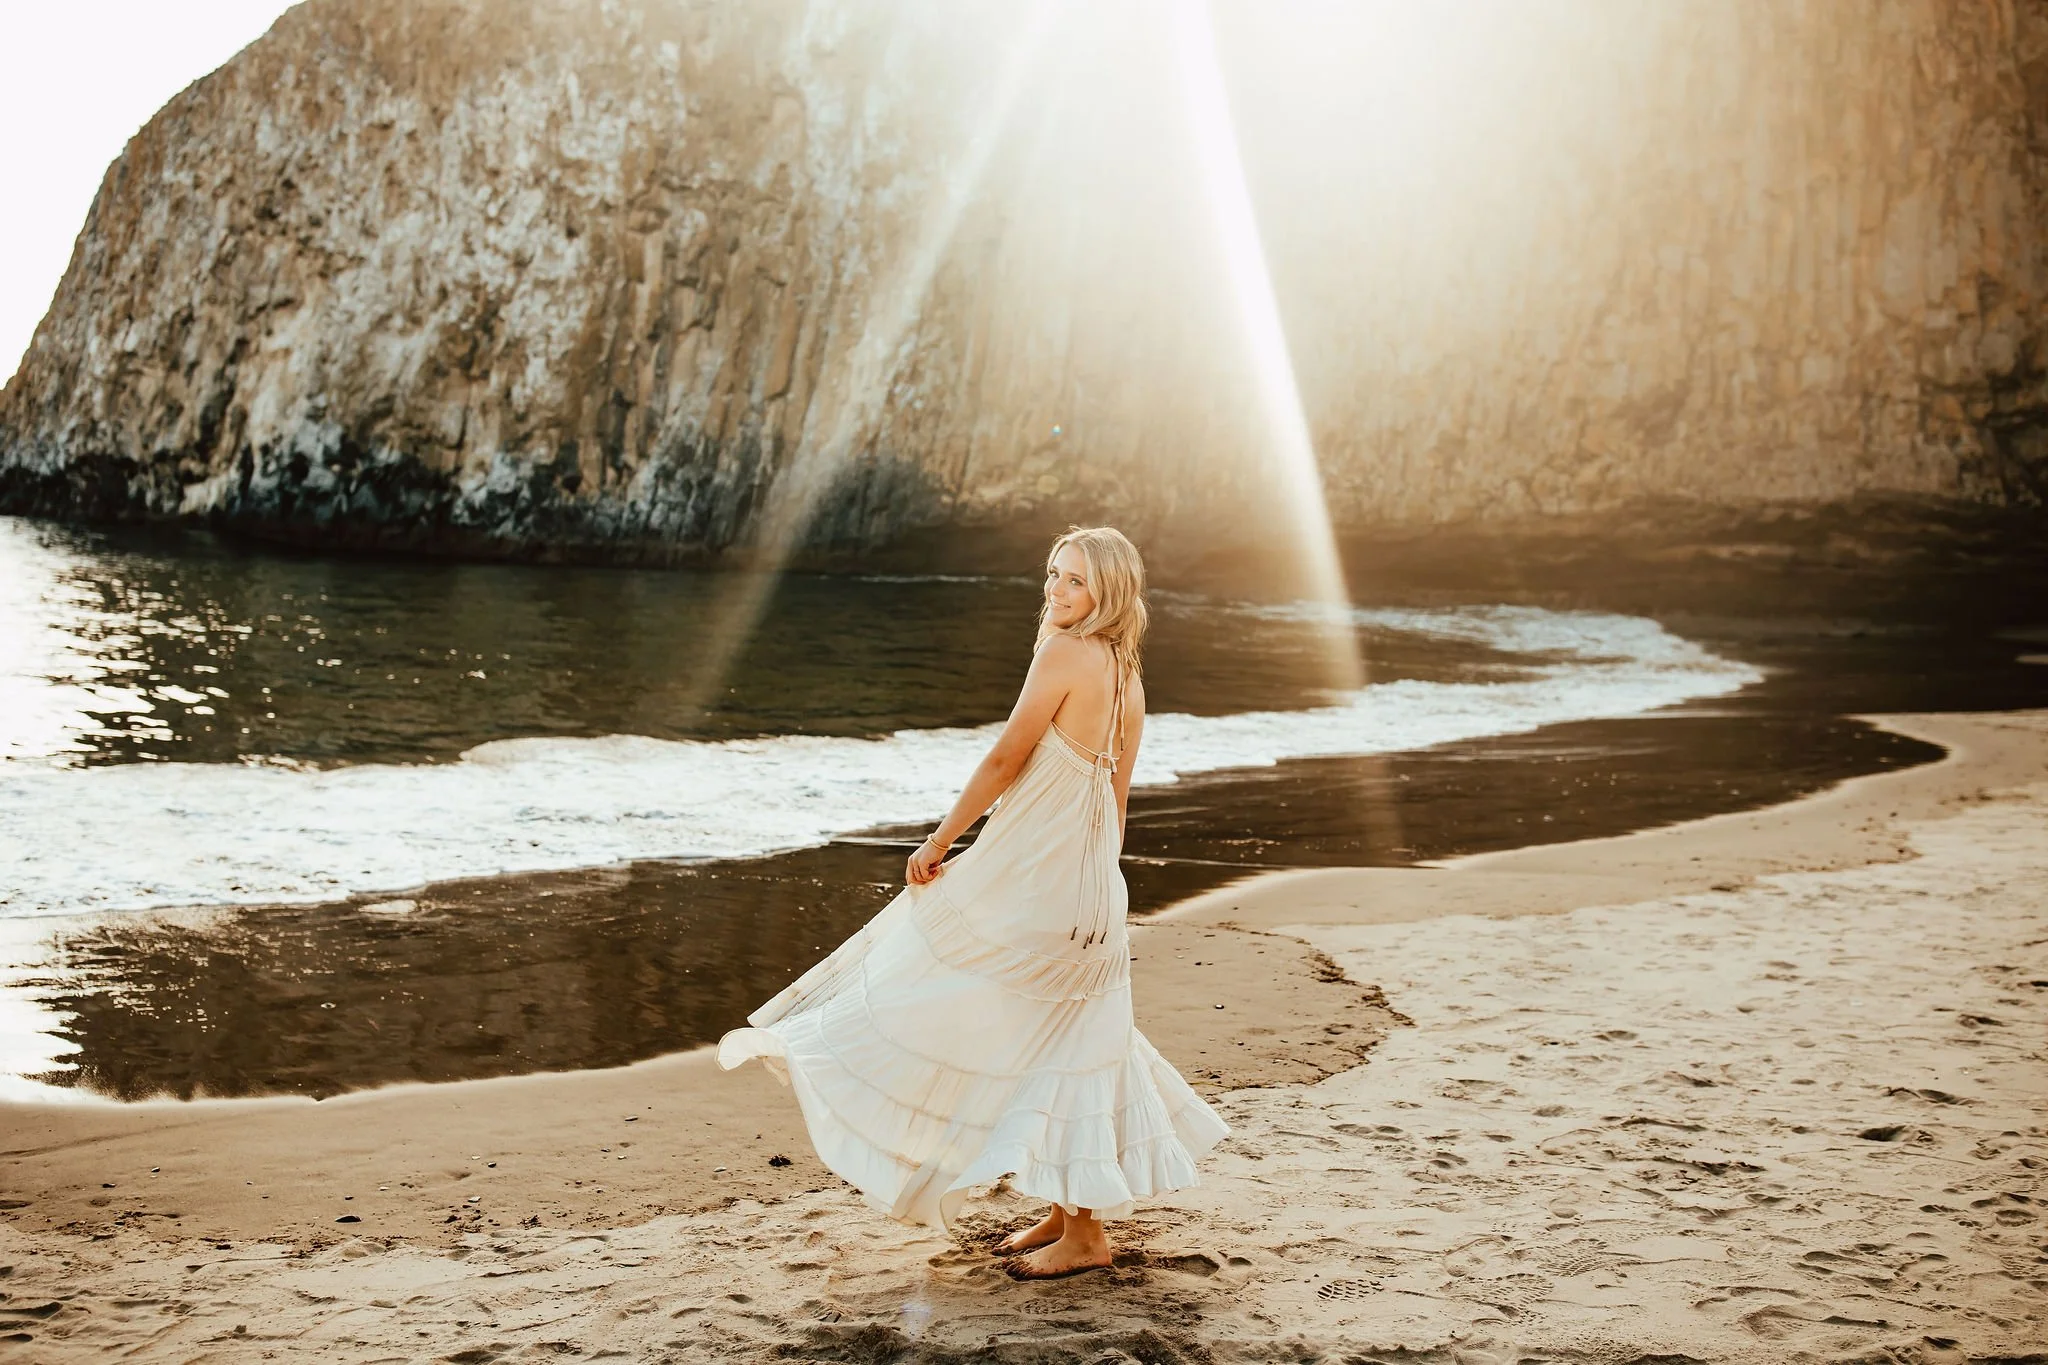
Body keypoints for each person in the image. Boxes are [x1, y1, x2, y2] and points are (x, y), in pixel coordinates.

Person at [718, 525, 1228, 1280]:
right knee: (1067, 1039)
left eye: (1076, 581)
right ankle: (1064, 1215)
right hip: (1089, 884)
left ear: (1107, 594)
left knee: (994, 1007)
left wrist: (939, 841)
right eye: (1053, 572)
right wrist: (1098, 891)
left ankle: (1085, 1235)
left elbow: (1004, 758)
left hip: (1046, 882)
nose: (1056, 589)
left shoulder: (1063, 655)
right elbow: (1113, 804)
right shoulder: (1126, 673)